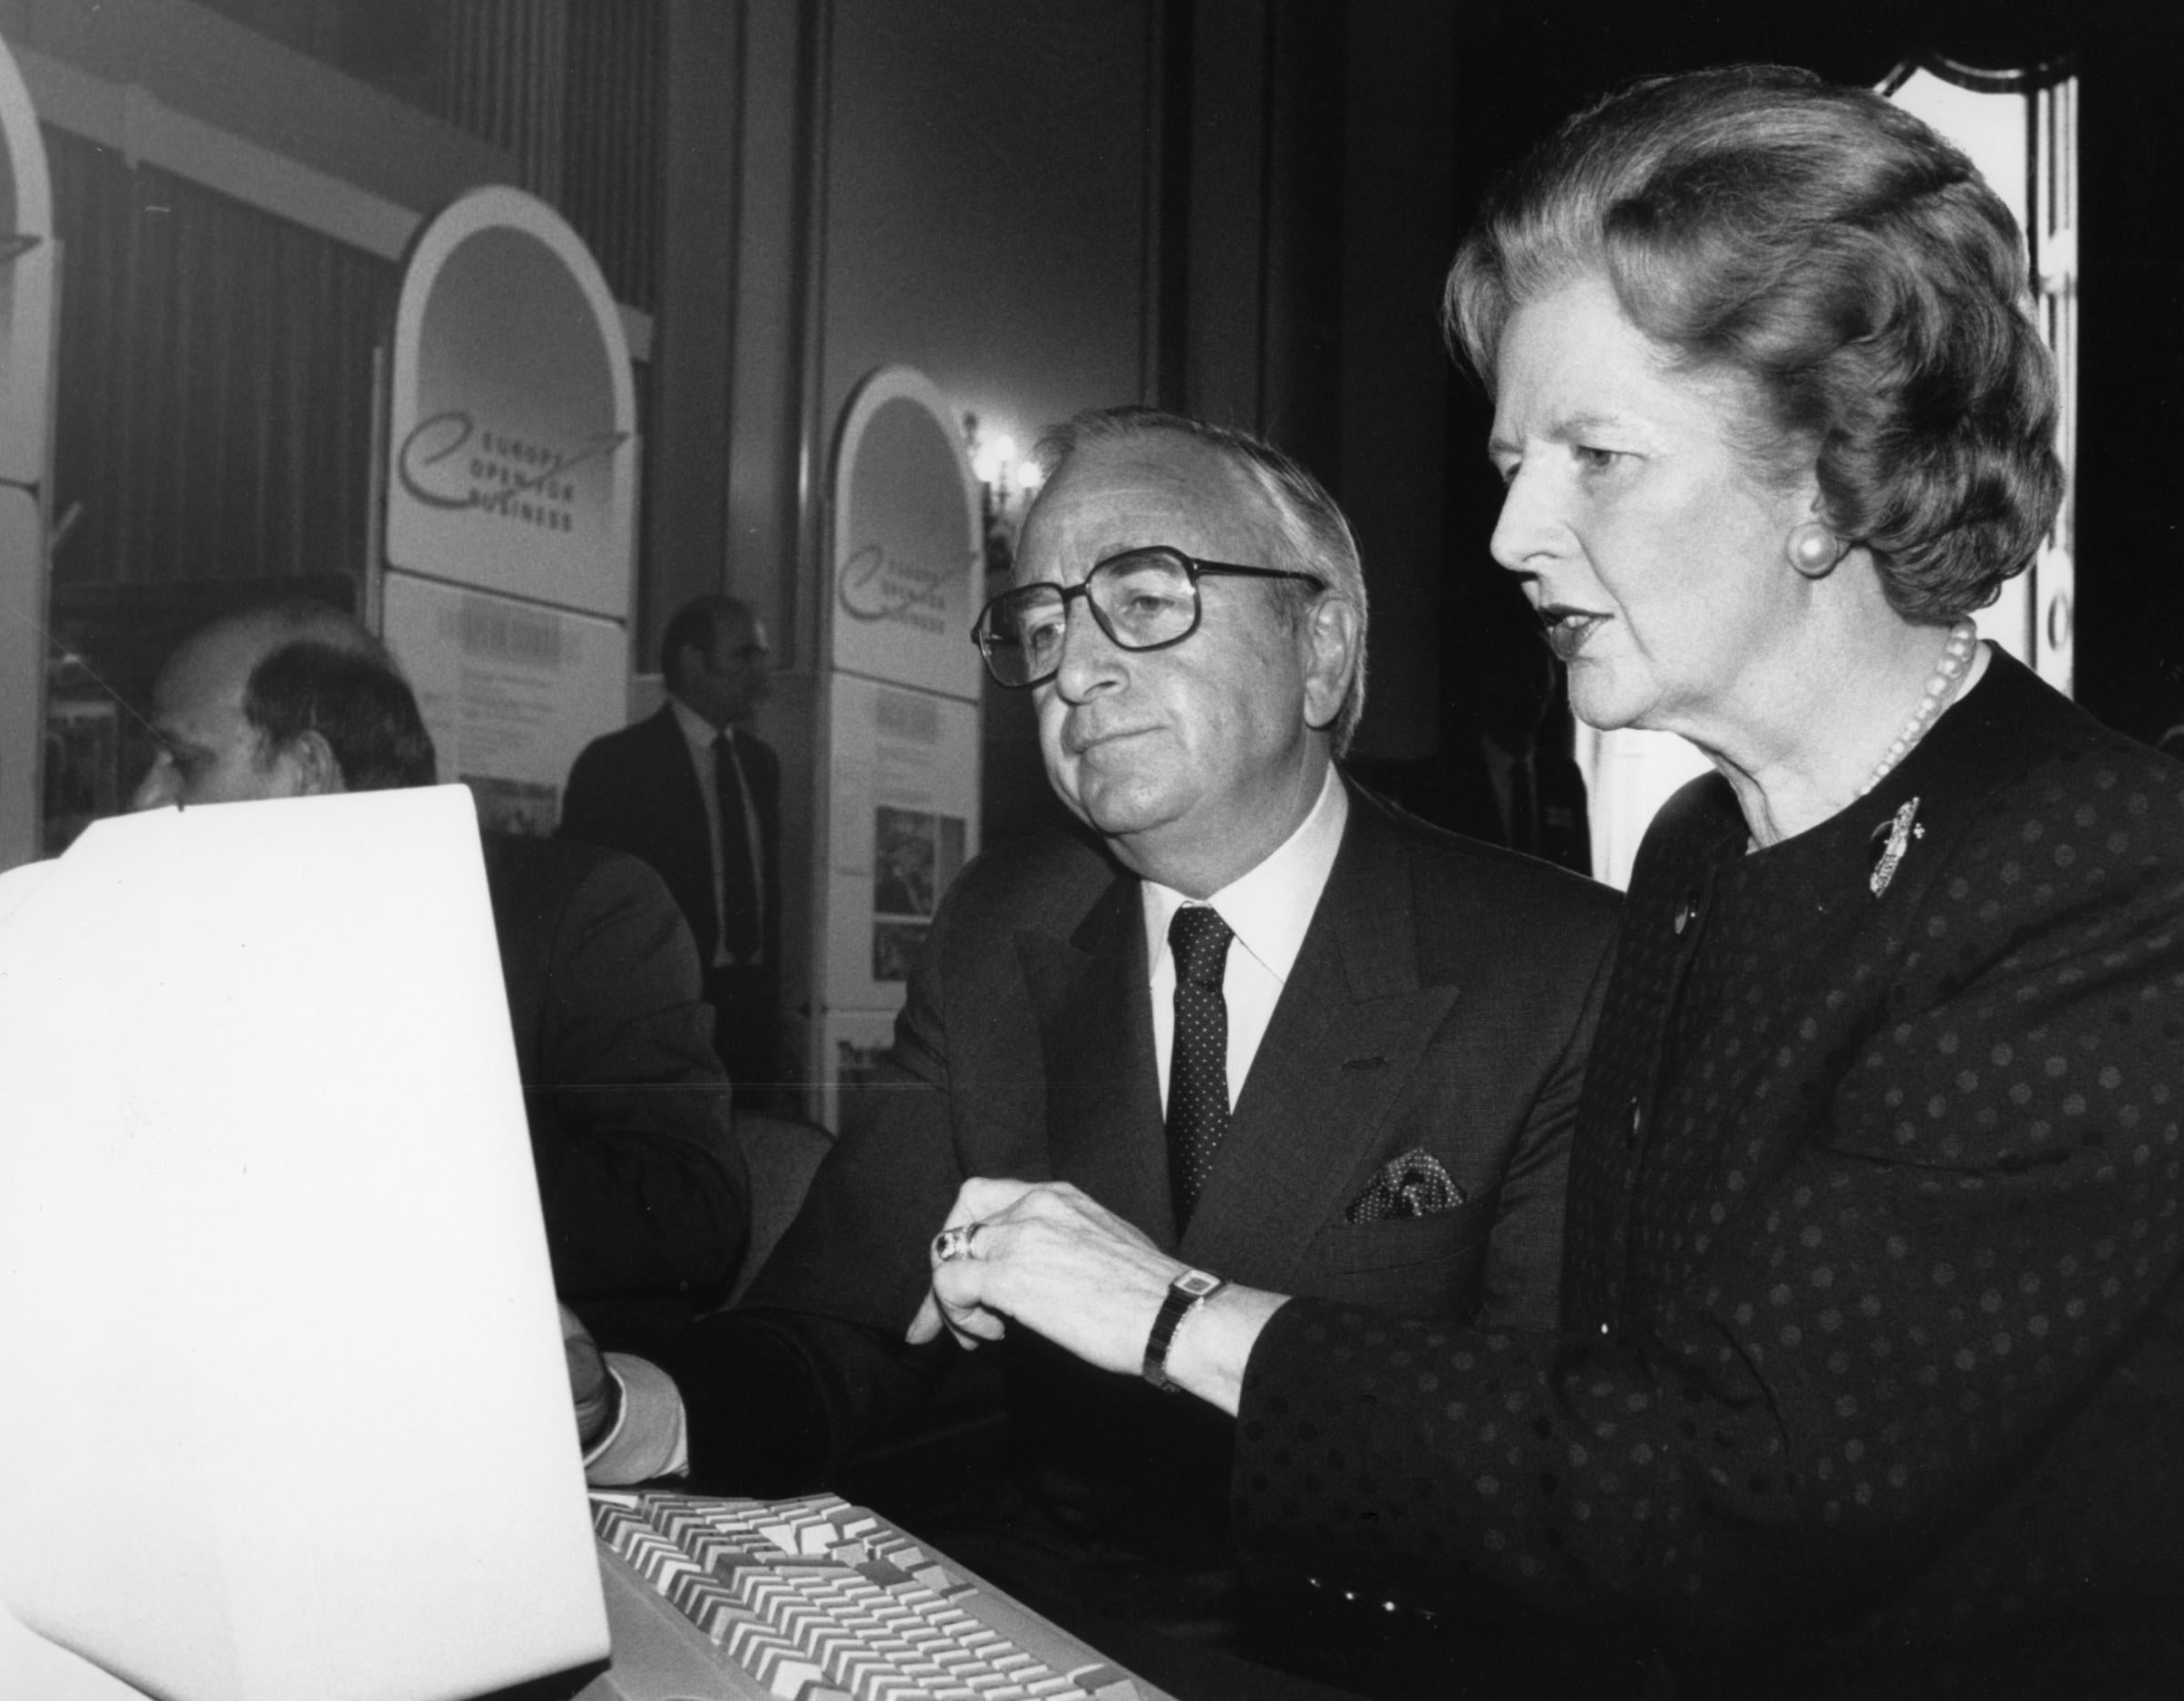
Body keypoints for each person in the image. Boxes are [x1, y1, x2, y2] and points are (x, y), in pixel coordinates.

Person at [917, 70, 2184, 1698]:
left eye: (1596, 455)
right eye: (1512, 456)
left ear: (1831, 474)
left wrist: (1174, 1315)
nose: (1511, 532)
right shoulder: (1699, 851)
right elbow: (1591, 1389)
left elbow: (1731, 1490)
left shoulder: (2105, 871)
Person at [576, 409, 1622, 1673]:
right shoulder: (997, 930)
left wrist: (1174, 1319)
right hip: (1034, 1636)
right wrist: (622, 1404)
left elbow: (1558, 1480)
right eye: (1041, 626)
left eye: (1142, 597)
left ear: (1323, 649)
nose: (1073, 672)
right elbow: (839, 1325)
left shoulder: (1556, 968)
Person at [133, 605, 749, 1355]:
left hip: (505, 1390)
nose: (143, 801)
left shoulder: (574, 914)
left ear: (306, 771)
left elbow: (690, 1210)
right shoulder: (180, 935)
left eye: (182, 762)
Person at [559, 595, 783, 1107]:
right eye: (743, 656)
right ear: (690, 662)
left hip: (749, 1014)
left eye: (762, 655)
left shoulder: (760, 764)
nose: (762, 674)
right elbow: (589, 907)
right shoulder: (617, 765)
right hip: (659, 1012)